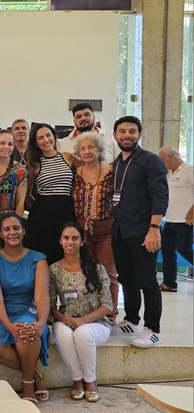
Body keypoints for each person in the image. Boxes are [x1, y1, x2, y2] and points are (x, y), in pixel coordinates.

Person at [110, 116, 168, 348]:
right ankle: (131, 320)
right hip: (120, 230)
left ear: (139, 134)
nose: (127, 135)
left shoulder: (150, 161)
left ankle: (153, 328)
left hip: (143, 230)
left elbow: (160, 195)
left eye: (132, 131)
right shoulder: (117, 162)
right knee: (126, 277)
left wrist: (154, 228)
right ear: (115, 135)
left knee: (147, 280)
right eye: (122, 131)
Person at [0, 214, 49, 404]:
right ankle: (34, 375)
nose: (12, 232)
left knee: (28, 332)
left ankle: (27, 385)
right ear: (0, 233)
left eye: (16, 228)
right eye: (7, 229)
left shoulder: (38, 259)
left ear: (23, 231)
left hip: (27, 309)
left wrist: (41, 323)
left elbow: (41, 296)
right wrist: (9, 326)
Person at [50, 222, 113, 402]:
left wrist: (82, 321)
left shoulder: (96, 267)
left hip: (96, 323)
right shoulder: (53, 270)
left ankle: (90, 381)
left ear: (82, 241)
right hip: (65, 320)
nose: (70, 242)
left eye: (75, 238)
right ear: (60, 241)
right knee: (64, 334)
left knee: (83, 334)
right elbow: (51, 305)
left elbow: (108, 305)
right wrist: (65, 319)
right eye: (66, 238)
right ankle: (77, 380)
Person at [73, 132, 118, 321]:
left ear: (99, 149)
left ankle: (110, 313)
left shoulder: (110, 171)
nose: (86, 151)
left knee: (108, 272)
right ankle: (90, 311)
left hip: (106, 229)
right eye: (82, 149)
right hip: (82, 231)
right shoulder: (76, 173)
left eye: (91, 147)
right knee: (87, 271)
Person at [25, 123, 80, 265]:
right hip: (42, 217)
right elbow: (27, 194)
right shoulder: (33, 164)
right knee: (43, 255)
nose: (46, 140)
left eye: (48, 135)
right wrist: (40, 206)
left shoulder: (68, 157)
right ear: (35, 143)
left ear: (54, 136)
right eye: (40, 138)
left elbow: (88, 170)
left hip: (67, 212)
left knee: (65, 251)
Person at [157, 145, 193, 293]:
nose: (161, 164)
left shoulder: (189, 170)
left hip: (185, 220)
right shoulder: (171, 173)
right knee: (167, 250)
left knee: (184, 248)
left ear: (170, 157)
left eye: (161, 160)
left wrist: (192, 212)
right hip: (170, 219)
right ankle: (169, 283)